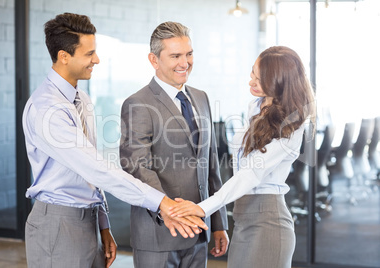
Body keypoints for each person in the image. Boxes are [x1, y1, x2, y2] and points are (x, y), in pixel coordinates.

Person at [22, 13, 206, 268]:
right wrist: (162, 203)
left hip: (88, 223)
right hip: (58, 223)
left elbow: (90, 172)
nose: (96, 59)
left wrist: (103, 225)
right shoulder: (47, 109)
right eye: (89, 54)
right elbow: (97, 169)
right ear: (64, 56)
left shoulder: (81, 100)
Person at [170, 46, 316, 268]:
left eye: (259, 79)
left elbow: (251, 173)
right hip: (243, 217)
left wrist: (203, 208)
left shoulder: (291, 125)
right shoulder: (256, 108)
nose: (251, 82)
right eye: (252, 74)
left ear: (279, 82)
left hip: (267, 221)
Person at [119, 21, 229, 267]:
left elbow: (210, 165)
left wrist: (219, 223)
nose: (185, 63)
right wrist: (168, 210)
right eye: (175, 56)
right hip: (158, 235)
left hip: (199, 232)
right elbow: (137, 166)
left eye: (189, 54)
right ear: (154, 59)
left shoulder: (201, 98)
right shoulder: (137, 103)